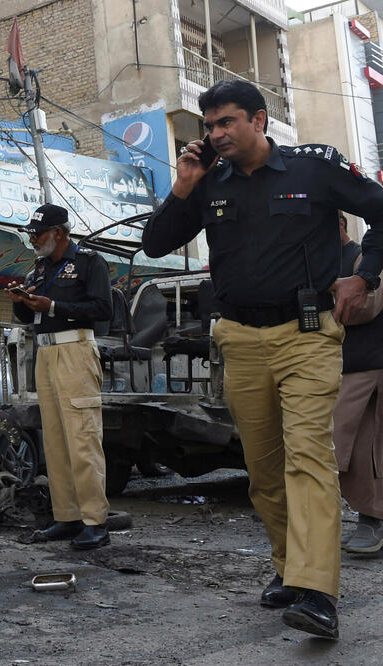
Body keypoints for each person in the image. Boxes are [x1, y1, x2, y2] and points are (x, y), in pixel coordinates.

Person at [143, 79, 383, 639]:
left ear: (259, 120)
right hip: (239, 340)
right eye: (209, 126)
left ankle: (319, 593)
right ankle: (289, 570)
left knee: (308, 460)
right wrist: (183, 186)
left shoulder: (314, 167)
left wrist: (364, 276)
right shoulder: (207, 182)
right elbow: (155, 245)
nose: (216, 134)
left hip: (307, 336)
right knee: (265, 471)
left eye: (226, 122)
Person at [7, 203, 113, 550]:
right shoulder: (39, 268)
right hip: (46, 353)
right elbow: (27, 318)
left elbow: (102, 309)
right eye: (31, 234)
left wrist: (52, 306)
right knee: (54, 440)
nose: (33, 240)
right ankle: (66, 517)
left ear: (60, 234)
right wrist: (21, 301)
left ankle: (95, 522)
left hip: (76, 351)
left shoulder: (89, 263)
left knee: (83, 439)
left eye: (38, 234)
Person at [334, 230, 383, 554]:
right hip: (348, 363)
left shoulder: (367, 254)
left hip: (369, 363)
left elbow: (364, 306)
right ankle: (368, 519)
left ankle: (372, 521)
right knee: (348, 448)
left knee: (368, 447)